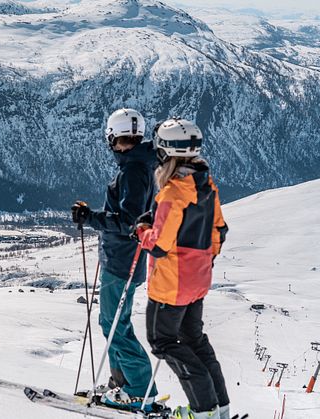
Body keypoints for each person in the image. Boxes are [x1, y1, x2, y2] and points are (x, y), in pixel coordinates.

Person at [132, 118, 230, 419]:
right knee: (194, 340)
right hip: (197, 280)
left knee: (162, 341)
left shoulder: (173, 194)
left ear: (165, 154)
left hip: (171, 285)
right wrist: (203, 261)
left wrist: (142, 230)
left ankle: (202, 410)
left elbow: (159, 245)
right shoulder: (206, 186)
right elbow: (219, 231)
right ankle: (219, 407)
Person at [72, 108, 158, 410]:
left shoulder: (133, 170)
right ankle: (122, 384)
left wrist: (91, 218)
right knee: (114, 322)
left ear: (112, 137)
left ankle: (138, 390)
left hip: (122, 260)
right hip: (123, 259)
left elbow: (129, 222)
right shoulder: (140, 164)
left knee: (113, 325)